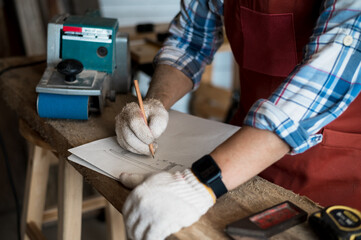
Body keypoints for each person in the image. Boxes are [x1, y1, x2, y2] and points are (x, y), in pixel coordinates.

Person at [115, 0, 361, 239]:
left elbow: (332, 68)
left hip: (331, 170)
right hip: (237, 156)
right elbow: (189, 42)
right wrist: (155, 102)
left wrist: (195, 186)